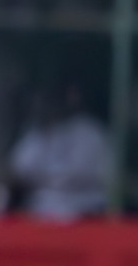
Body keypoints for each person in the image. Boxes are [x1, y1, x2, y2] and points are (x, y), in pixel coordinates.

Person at [7, 82, 111, 221]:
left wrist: (45, 179)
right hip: (40, 214)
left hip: (84, 214)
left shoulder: (92, 132)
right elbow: (18, 166)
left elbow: (79, 175)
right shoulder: (39, 130)